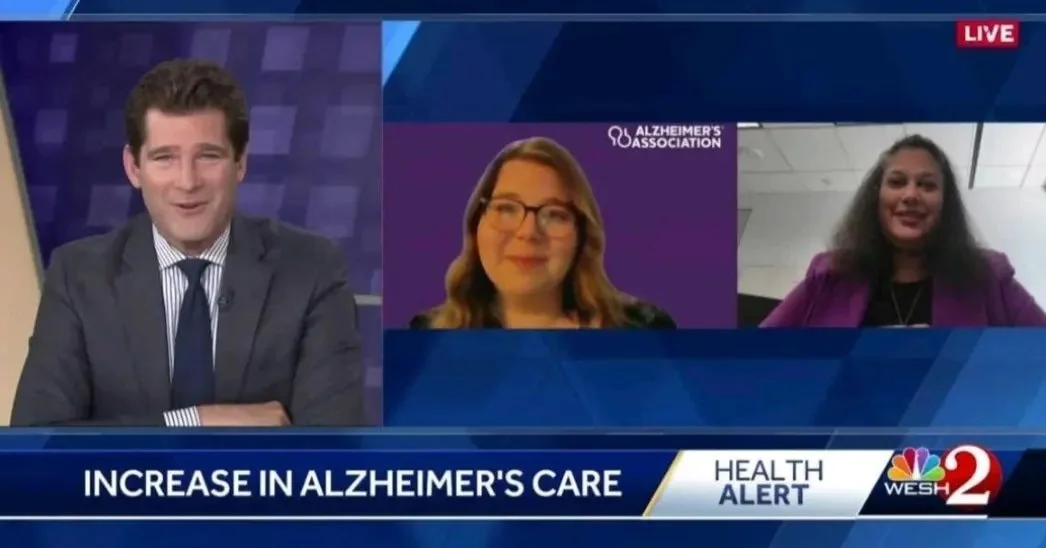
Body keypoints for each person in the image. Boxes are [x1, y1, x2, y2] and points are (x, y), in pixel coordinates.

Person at [11, 59, 364, 426]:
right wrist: (193, 421)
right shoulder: (78, 276)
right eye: (164, 158)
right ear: (134, 168)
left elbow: (334, 449)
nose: (187, 181)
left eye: (208, 156)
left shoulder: (312, 268)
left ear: (240, 162)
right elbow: (37, 446)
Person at [761, 134, 1046, 327]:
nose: (911, 195)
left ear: (945, 204)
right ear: (877, 197)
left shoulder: (989, 276)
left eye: (927, 185)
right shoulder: (828, 275)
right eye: (897, 182)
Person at [410, 137, 675, 329]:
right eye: (506, 208)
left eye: (555, 214)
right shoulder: (427, 332)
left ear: (581, 236)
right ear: (475, 225)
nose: (528, 232)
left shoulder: (646, 329)